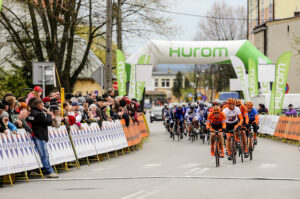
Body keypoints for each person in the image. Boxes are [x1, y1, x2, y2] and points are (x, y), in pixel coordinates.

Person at [27, 99, 58, 178]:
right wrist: (49, 115)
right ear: (39, 105)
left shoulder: (31, 113)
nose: (43, 106)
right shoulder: (39, 114)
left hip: (36, 134)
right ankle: (49, 171)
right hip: (40, 135)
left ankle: (49, 169)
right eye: (42, 105)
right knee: (44, 154)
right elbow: (48, 122)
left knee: (44, 154)